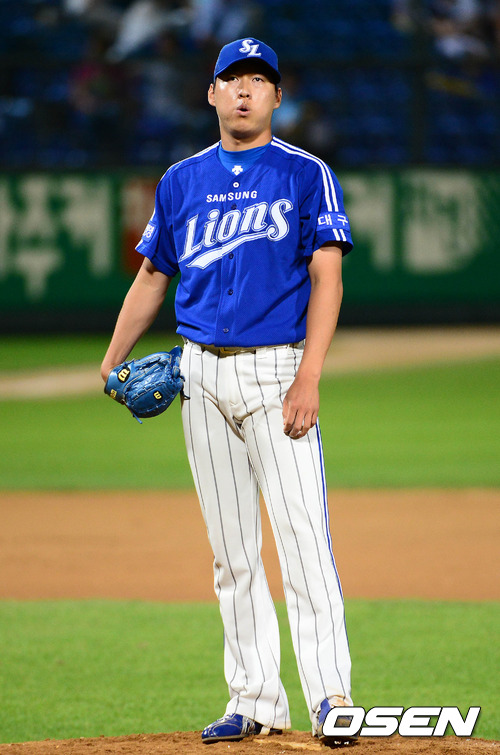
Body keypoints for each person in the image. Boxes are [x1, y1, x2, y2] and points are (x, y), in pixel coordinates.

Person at [101, 37, 356, 746]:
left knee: (304, 544)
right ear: (211, 93)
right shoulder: (181, 181)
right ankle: (254, 697)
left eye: (258, 80)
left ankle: (331, 696)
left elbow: (328, 277)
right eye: (232, 79)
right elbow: (153, 274)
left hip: (278, 374)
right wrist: (111, 360)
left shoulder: (306, 174)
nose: (245, 90)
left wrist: (310, 375)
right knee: (232, 553)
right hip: (200, 377)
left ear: (277, 96)